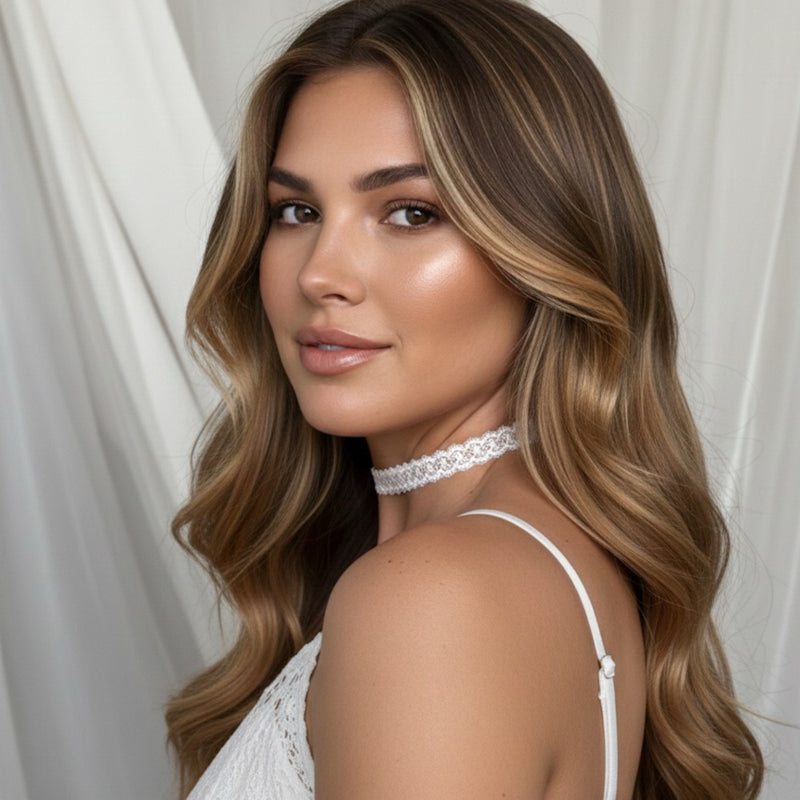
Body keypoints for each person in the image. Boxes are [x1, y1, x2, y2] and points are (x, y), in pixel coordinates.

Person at [164, 1, 764, 797]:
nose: (319, 273)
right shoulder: (542, 561)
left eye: (411, 212)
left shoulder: (434, 601)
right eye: (296, 211)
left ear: (544, 250)